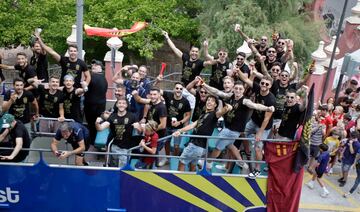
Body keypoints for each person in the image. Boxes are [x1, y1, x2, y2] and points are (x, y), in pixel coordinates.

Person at [203, 81, 275, 170]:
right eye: (236, 88)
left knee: (218, 147)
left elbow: (255, 105)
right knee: (230, 145)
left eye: (240, 89)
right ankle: (241, 162)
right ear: (233, 89)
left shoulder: (245, 101)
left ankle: (208, 163)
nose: (238, 90)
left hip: (233, 130)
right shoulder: (230, 96)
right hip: (228, 127)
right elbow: (217, 92)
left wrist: (267, 108)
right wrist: (204, 85)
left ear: (243, 90)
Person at [173, 95, 232, 171]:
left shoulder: (214, 114)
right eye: (208, 100)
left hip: (195, 145)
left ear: (215, 105)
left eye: (212, 101)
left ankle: (179, 182)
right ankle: (190, 181)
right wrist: (179, 131)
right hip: (199, 147)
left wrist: (227, 107)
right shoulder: (203, 115)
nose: (209, 102)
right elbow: (192, 125)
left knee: (181, 163)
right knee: (193, 165)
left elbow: (222, 111)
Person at [236, 69, 276, 179]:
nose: (263, 85)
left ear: (270, 85)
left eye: (266, 84)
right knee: (241, 132)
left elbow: (266, 119)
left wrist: (259, 133)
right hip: (254, 120)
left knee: (258, 148)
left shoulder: (271, 100)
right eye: (262, 83)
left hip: (264, 126)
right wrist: (238, 70)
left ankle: (257, 169)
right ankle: (247, 151)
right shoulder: (258, 88)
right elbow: (245, 79)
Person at [95, 97, 137, 167]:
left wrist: (139, 127)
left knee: (122, 169)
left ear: (126, 105)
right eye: (119, 103)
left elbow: (140, 130)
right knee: (113, 167)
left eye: (124, 103)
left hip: (126, 148)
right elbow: (100, 128)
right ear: (116, 105)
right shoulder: (112, 117)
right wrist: (97, 123)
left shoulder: (132, 116)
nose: (121, 105)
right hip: (115, 147)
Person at [162, 82, 191, 156]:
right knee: (166, 142)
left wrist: (180, 122)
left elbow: (188, 115)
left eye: (181, 89)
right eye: (177, 88)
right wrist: (158, 81)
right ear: (174, 89)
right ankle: (167, 158)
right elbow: (156, 91)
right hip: (167, 125)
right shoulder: (168, 95)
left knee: (176, 146)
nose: (179, 90)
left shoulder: (185, 101)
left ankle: (174, 159)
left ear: (183, 90)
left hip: (178, 128)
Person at [84, 59, 108, 145]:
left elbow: (85, 89)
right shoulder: (104, 78)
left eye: (96, 65)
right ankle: (96, 141)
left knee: (92, 124)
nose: (93, 66)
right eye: (93, 65)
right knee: (97, 123)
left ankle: (92, 141)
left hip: (91, 105)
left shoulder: (92, 77)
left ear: (100, 68)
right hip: (100, 105)